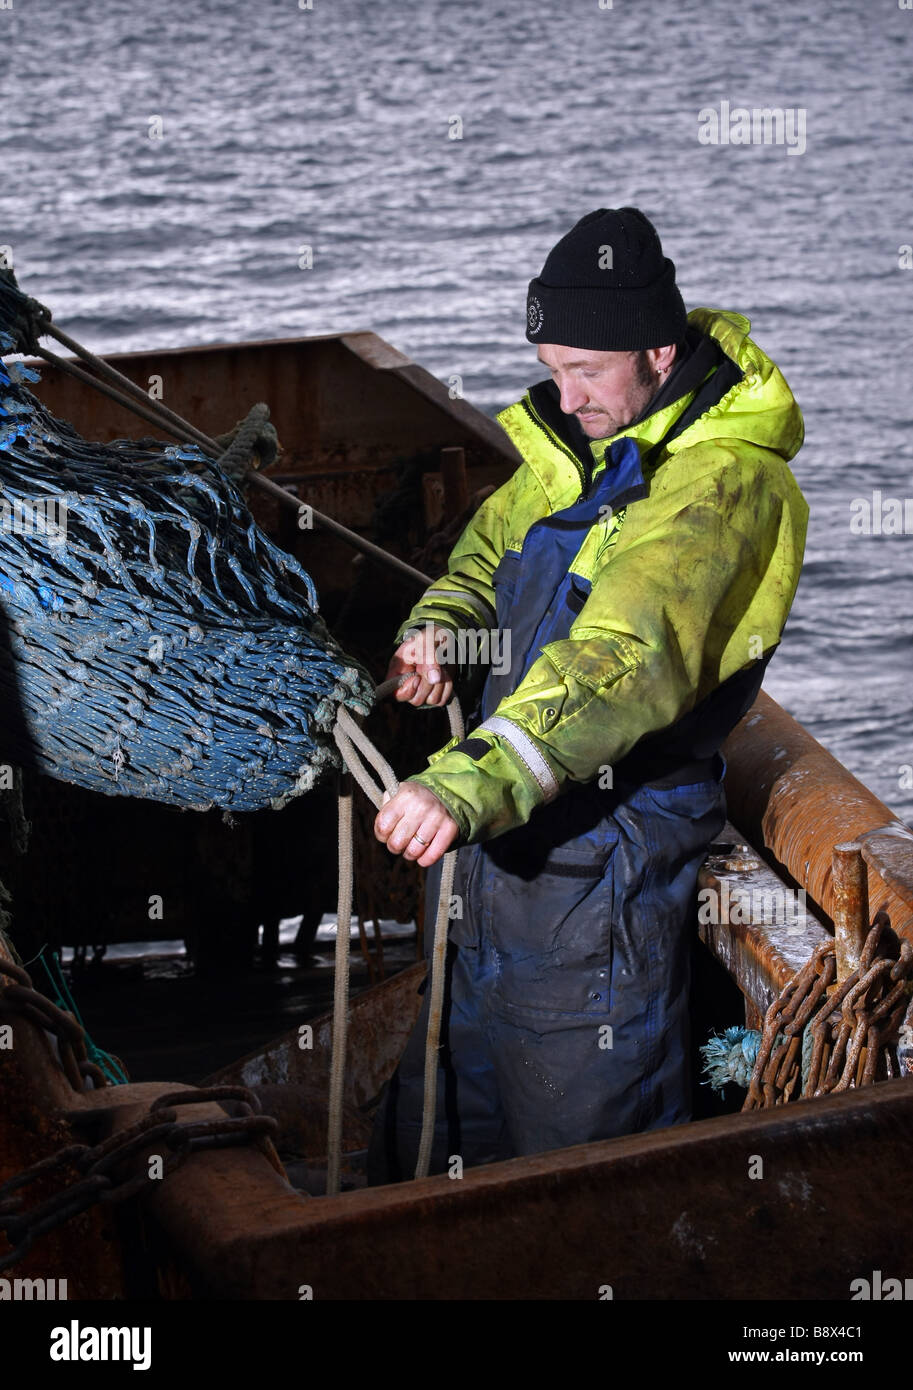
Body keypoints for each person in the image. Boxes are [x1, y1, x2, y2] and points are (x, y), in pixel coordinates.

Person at [367, 207, 808, 1183]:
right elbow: (485, 551)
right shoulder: (580, 452)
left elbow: (622, 659)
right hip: (498, 838)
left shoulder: (718, 488)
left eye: (585, 372)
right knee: (449, 1108)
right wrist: (441, 624)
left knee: (580, 1153)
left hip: (603, 850)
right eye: (551, 368)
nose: (563, 400)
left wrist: (466, 780)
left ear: (656, 352)